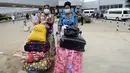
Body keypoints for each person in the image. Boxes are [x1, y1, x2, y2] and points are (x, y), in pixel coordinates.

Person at [53, 1, 83, 73]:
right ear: (64, 8)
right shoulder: (62, 16)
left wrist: (75, 31)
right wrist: (59, 32)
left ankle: (72, 64)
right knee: (63, 49)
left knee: (72, 50)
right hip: (64, 33)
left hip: (72, 33)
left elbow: (76, 25)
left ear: (70, 8)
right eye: (65, 7)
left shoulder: (74, 15)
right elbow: (59, 24)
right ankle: (62, 64)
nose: (67, 9)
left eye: (68, 7)